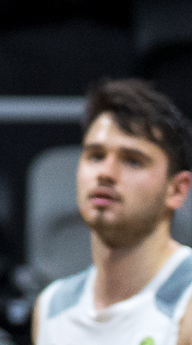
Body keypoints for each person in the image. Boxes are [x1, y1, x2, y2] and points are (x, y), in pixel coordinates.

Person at [36, 79, 192, 344]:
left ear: (177, 190)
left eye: (133, 160)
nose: (106, 174)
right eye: (95, 156)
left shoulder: (186, 303)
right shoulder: (51, 308)